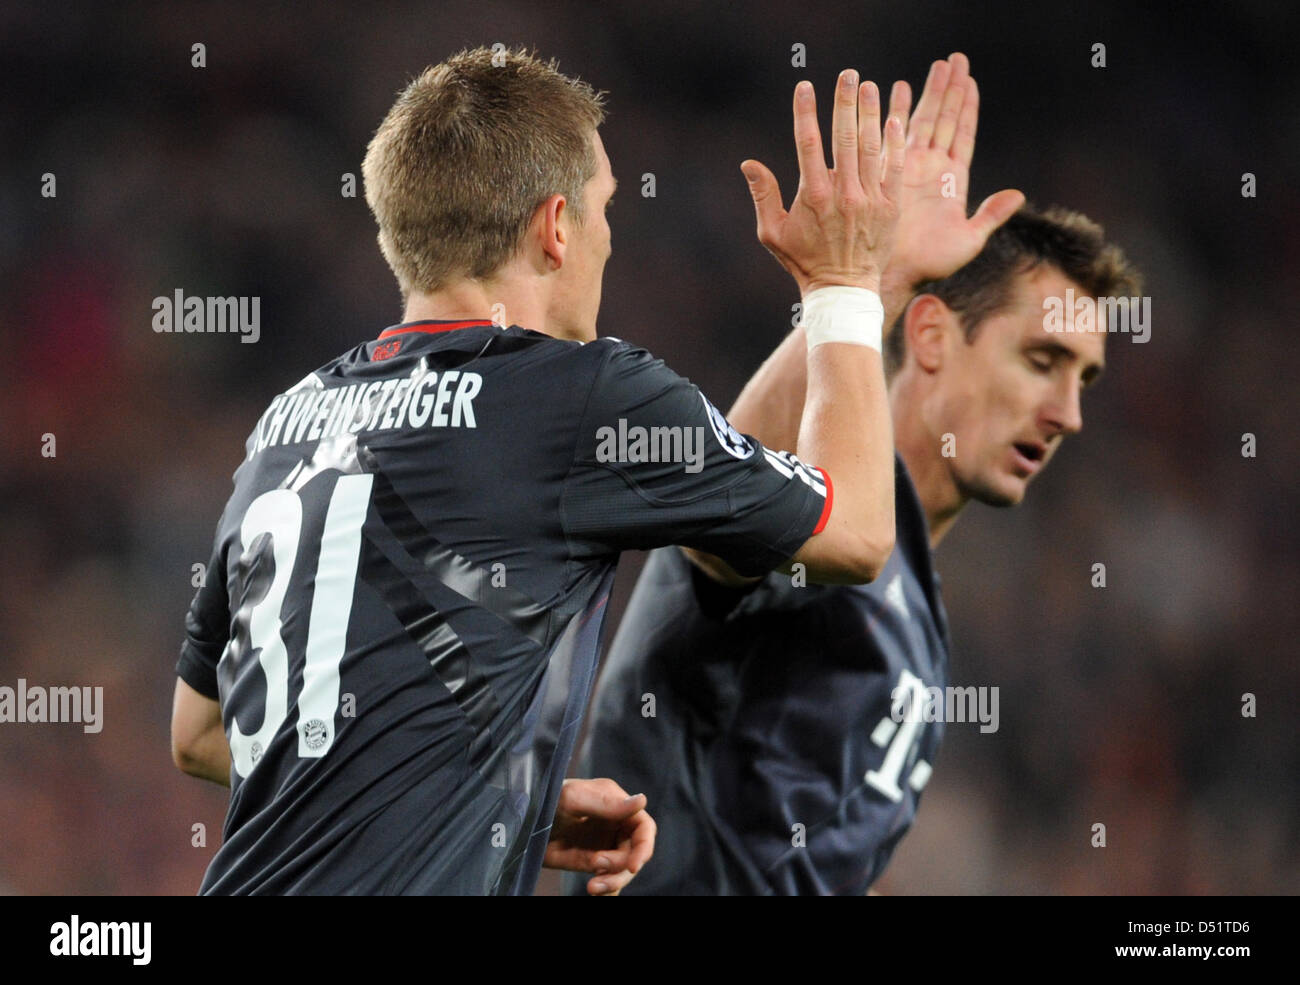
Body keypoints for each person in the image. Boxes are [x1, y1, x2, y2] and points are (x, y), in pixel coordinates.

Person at [169, 45, 909, 895]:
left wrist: (503, 803)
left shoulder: (288, 419)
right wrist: (846, 283)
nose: (607, 238)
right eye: (604, 210)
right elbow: (854, 532)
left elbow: (200, 731)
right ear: (556, 226)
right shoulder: (581, 395)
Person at [567, 53, 1142, 895]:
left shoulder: (921, 613)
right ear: (936, 337)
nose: (1067, 412)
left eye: (1083, 378)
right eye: (1043, 359)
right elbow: (717, 512)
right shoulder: (825, 523)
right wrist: (870, 282)